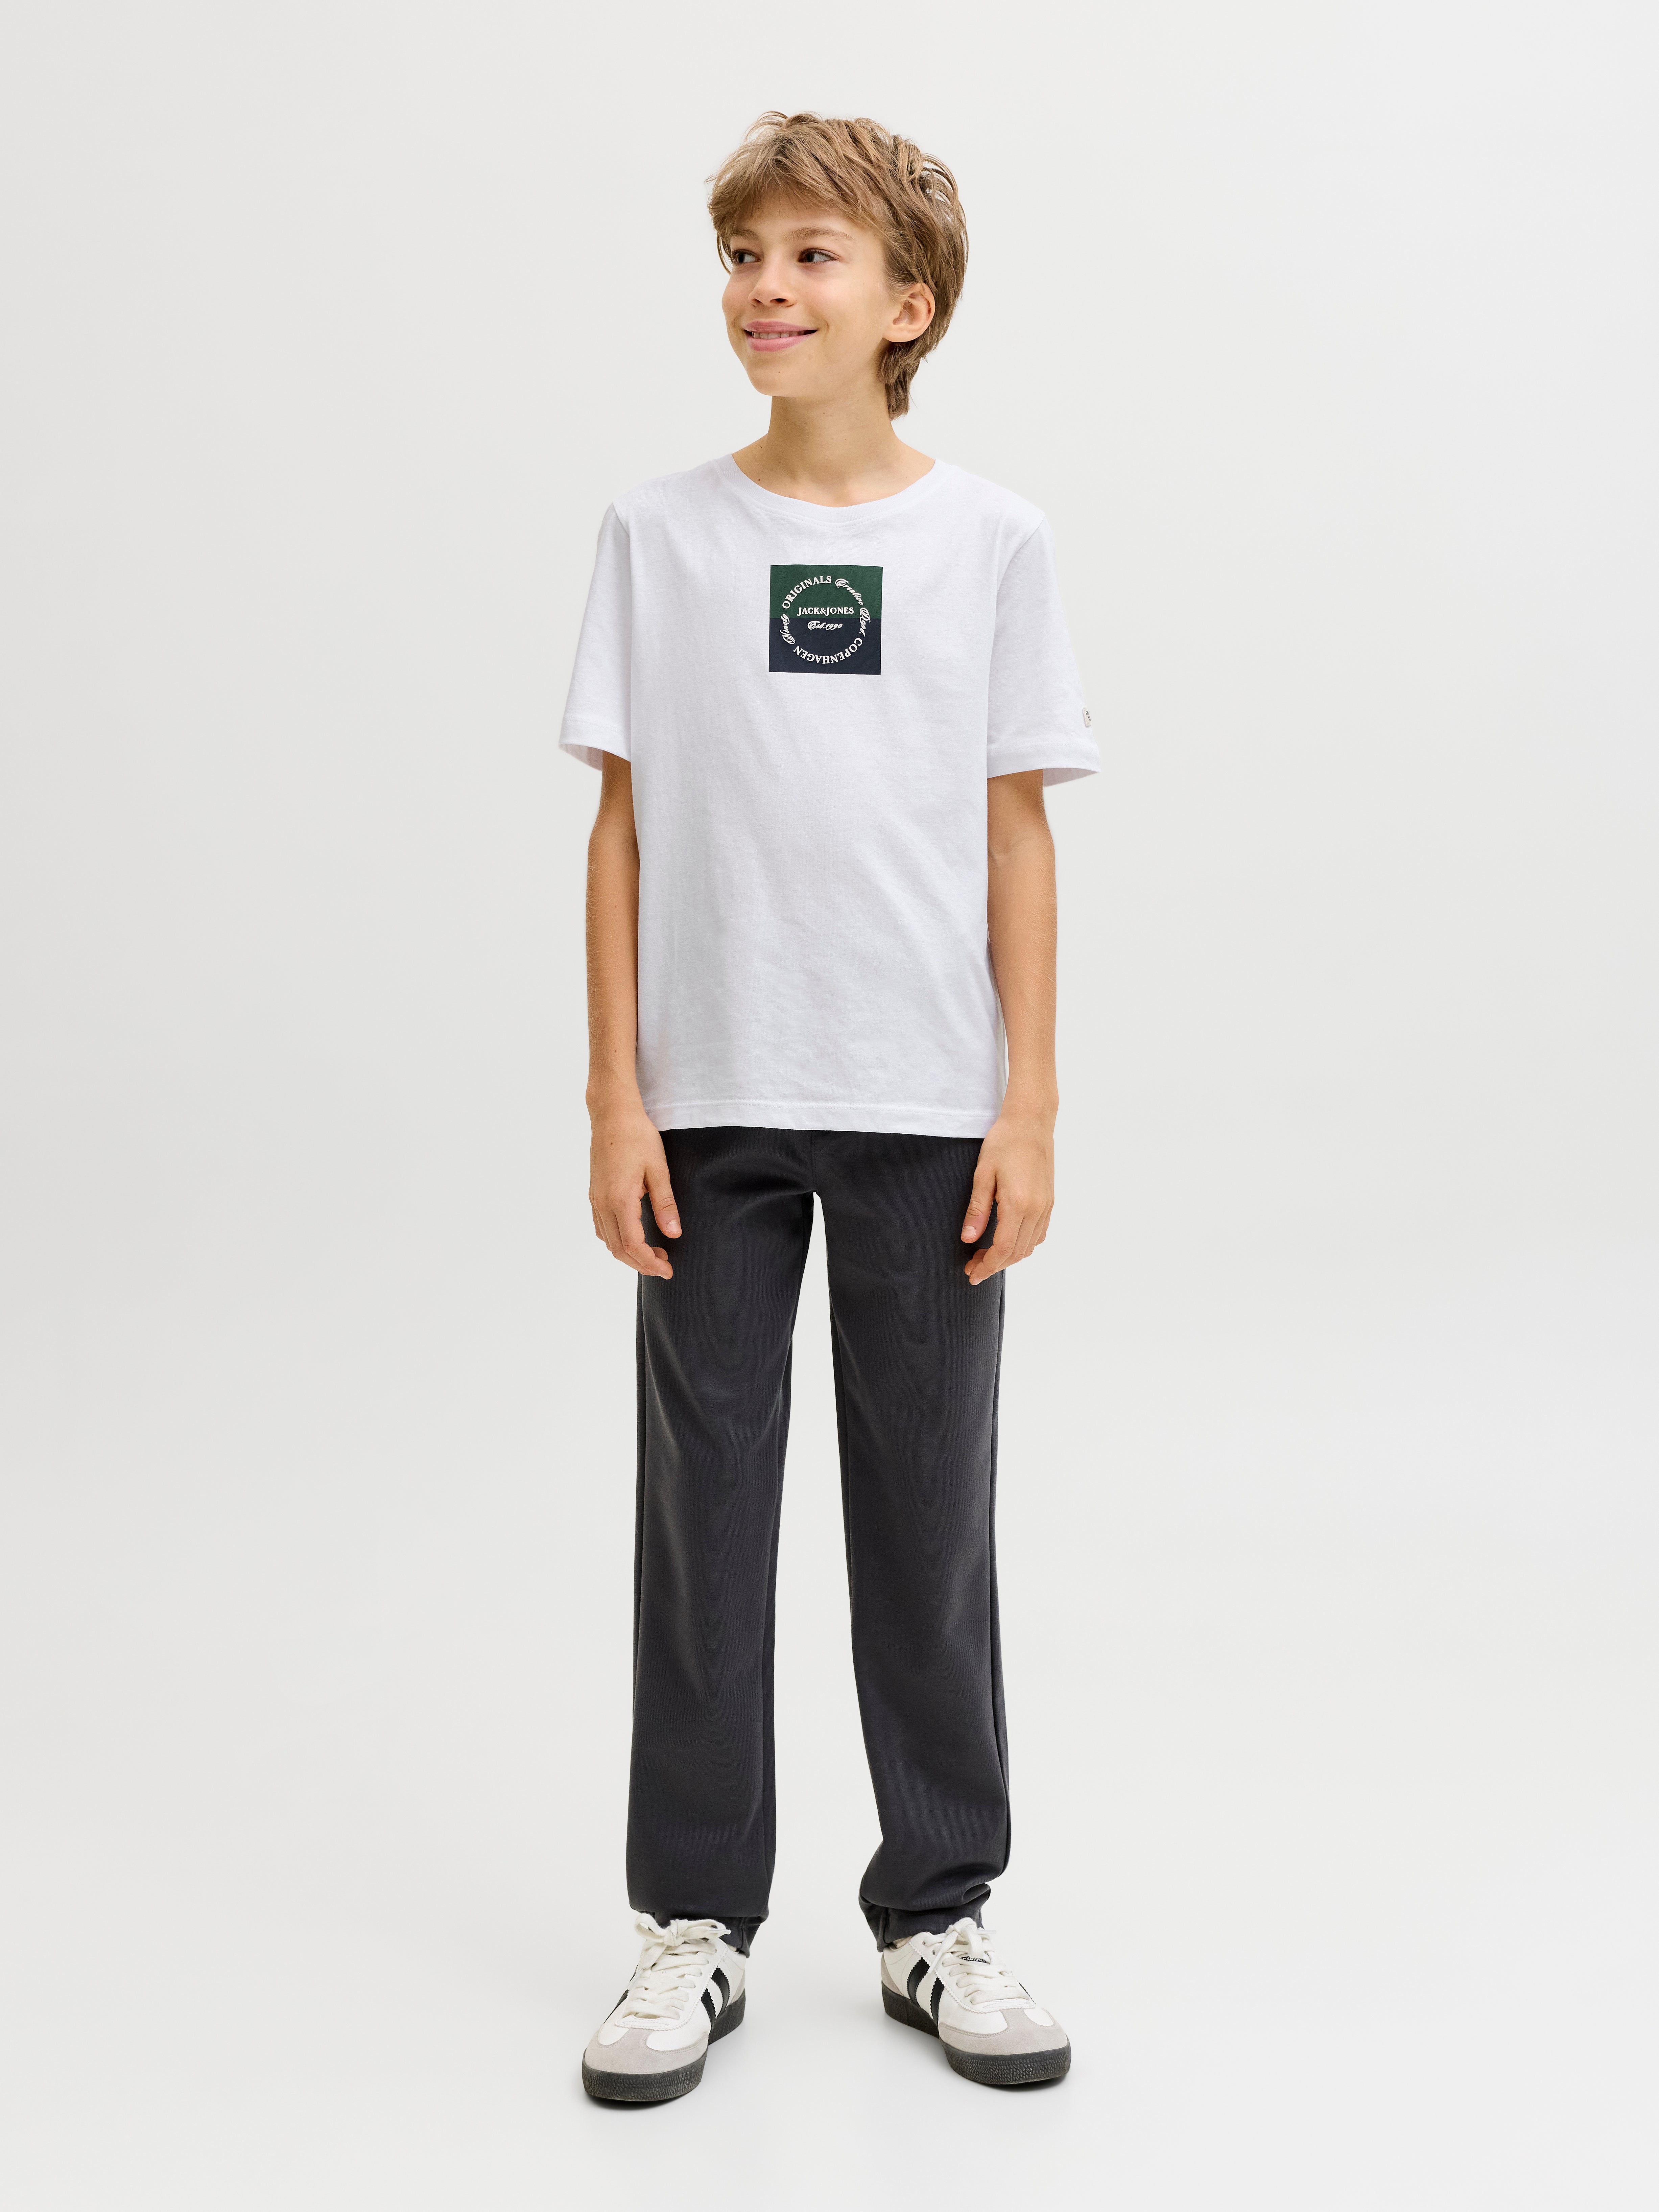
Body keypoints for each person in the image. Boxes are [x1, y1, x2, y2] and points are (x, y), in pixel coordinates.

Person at [561, 111, 1097, 2102]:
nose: (766, 290)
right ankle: (693, 1926)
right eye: (744, 257)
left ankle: (938, 1912)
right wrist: (616, 1097)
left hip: (925, 1104)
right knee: (701, 1521)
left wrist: (1028, 1104)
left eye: (811, 258)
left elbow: (1018, 836)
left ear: (909, 306)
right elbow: (622, 834)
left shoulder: (994, 541)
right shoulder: (660, 536)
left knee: (927, 1514)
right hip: (710, 1104)